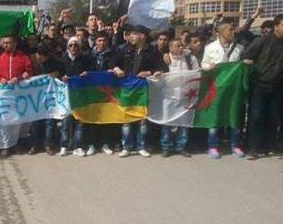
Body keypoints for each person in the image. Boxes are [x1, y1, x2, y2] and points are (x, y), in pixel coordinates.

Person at [110, 25, 166, 158]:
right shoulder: (124, 49)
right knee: (126, 118)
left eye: (134, 34)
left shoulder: (153, 51)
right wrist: (116, 68)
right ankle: (127, 147)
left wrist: (150, 72)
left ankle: (141, 146)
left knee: (142, 119)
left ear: (142, 36)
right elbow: (112, 61)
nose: (131, 36)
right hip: (127, 89)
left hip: (143, 89)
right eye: (130, 34)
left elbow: (162, 68)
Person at [201, 20, 246, 159]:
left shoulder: (239, 47)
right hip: (217, 86)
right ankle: (212, 146)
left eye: (233, 30)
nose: (233, 32)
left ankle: (235, 145)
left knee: (235, 116)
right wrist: (209, 67)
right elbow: (203, 63)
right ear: (221, 32)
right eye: (230, 30)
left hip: (234, 88)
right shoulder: (210, 47)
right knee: (215, 116)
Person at [242, 14, 283, 160]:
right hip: (259, 85)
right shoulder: (262, 41)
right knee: (256, 116)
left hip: (278, 86)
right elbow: (245, 55)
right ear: (276, 26)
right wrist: (248, 61)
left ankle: (269, 146)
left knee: (274, 117)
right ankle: (254, 147)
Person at [0, 34, 33, 157]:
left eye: (8, 43)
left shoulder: (23, 57)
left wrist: (20, 76)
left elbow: (29, 72)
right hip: (3, 94)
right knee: (4, 120)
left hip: (19, 94)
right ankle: (5, 146)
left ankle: (15, 144)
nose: (6, 45)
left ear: (15, 43)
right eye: (4, 43)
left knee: (17, 120)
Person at [159, 39, 199, 157]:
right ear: (171, 48)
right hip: (169, 96)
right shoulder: (165, 59)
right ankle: (166, 147)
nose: (181, 47)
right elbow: (159, 73)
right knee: (167, 123)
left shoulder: (190, 59)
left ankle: (181, 147)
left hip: (186, 96)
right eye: (178, 46)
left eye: (182, 45)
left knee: (184, 123)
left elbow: (197, 73)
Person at [85, 31, 118, 156]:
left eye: (104, 40)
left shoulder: (112, 54)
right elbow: (85, 69)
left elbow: (115, 66)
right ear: (95, 42)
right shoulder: (89, 55)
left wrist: (113, 69)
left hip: (107, 91)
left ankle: (106, 144)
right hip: (93, 91)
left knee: (107, 118)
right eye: (99, 40)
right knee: (93, 118)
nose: (102, 43)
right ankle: (92, 144)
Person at [58, 36, 93, 157]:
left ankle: (78, 146)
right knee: (65, 121)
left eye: (76, 45)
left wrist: (87, 73)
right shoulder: (62, 59)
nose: (73, 47)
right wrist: (62, 77)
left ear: (79, 47)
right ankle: (64, 146)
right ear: (67, 46)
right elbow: (57, 74)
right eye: (71, 45)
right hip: (65, 95)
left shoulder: (85, 59)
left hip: (80, 95)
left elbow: (92, 71)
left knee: (79, 121)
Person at [29, 43, 64, 156]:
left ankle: (48, 145)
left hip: (50, 97)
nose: (39, 57)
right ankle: (35, 145)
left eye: (43, 56)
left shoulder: (56, 63)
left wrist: (58, 73)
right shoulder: (32, 62)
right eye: (38, 54)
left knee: (50, 121)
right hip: (36, 98)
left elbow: (64, 71)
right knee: (35, 122)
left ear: (48, 56)